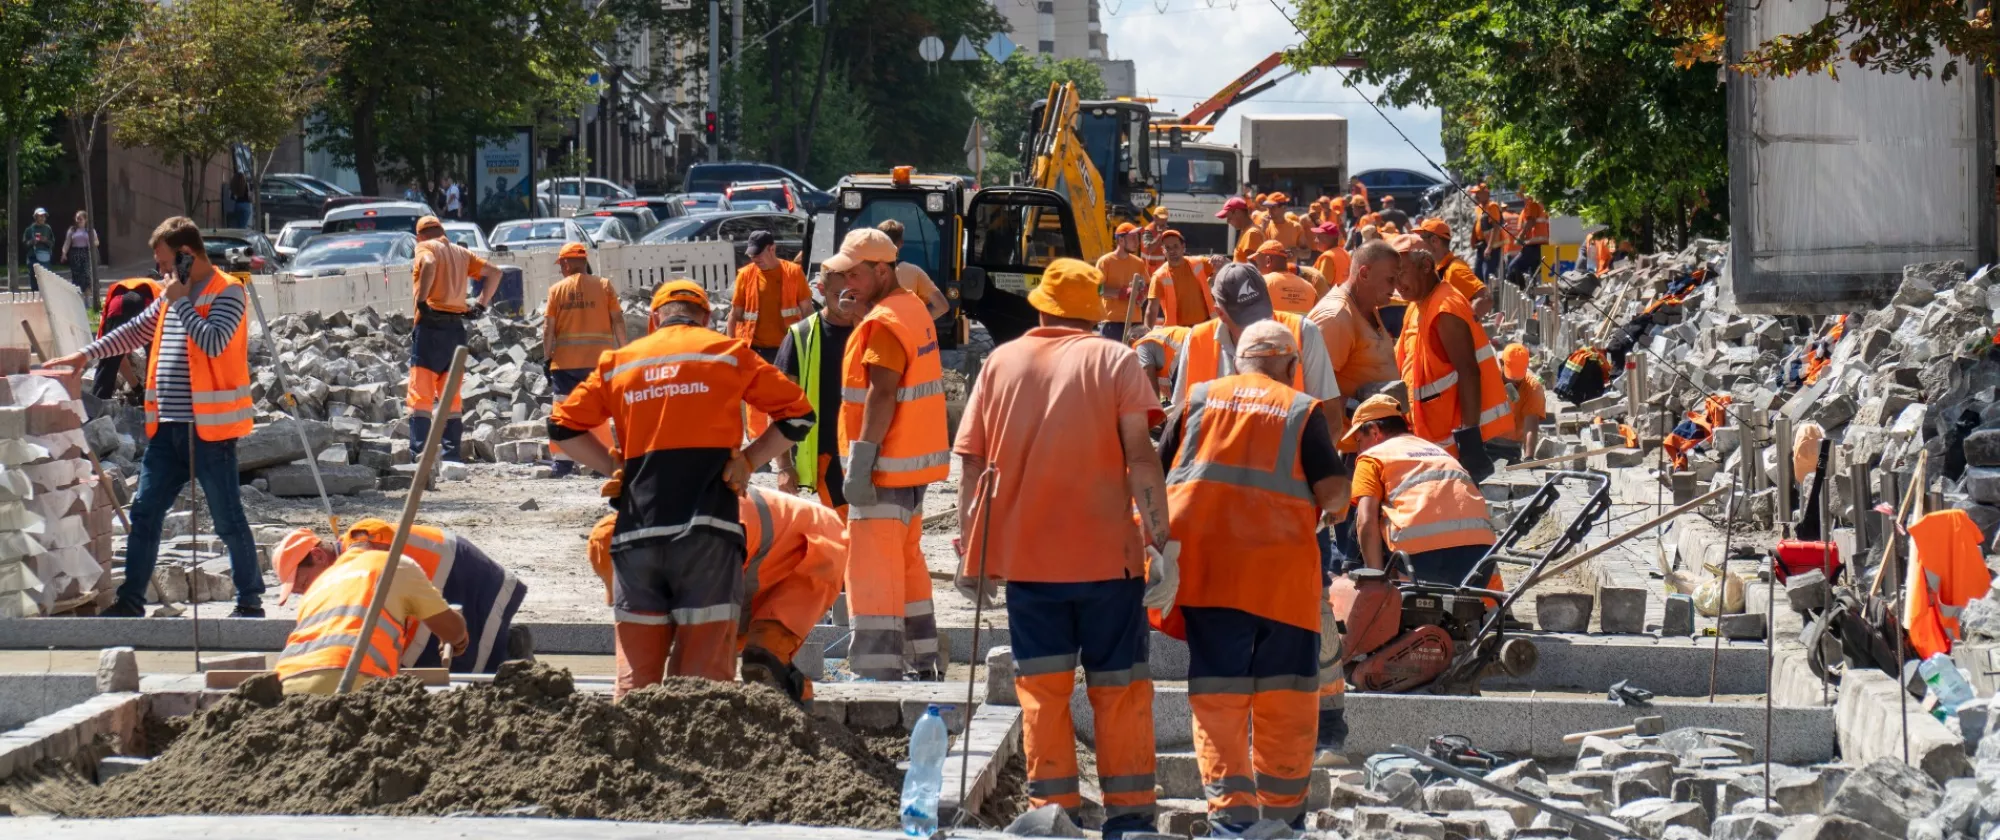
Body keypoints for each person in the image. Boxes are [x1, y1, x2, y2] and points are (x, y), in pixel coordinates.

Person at [953, 258, 1172, 836]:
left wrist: (971, 550)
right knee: (1119, 689)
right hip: (1108, 563)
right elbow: (1142, 457)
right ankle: (1130, 820)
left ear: (1043, 306)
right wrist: (1161, 541)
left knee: (1043, 693)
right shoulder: (1116, 360)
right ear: (1093, 312)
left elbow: (973, 462)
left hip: (1028, 562)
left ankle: (1053, 815)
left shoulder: (1001, 361)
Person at [549, 279, 815, 695]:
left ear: (655, 319)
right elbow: (798, 416)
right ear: (707, 318)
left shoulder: (620, 362)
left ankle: (631, 754)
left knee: (636, 684)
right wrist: (748, 460)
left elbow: (561, 426)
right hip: (709, 534)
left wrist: (612, 465)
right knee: (704, 685)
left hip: (637, 533)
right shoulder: (728, 353)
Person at [1158, 321, 1352, 832]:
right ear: (1291, 367)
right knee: (1285, 704)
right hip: (1282, 585)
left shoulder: (1197, 401)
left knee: (1218, 702)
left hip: (1210, 580)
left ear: (1236, 360)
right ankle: (1283, 822)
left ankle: (1232, 821)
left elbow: (1153, 483)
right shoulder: (1299, 410)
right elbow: (1333, 496)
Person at [45, 218, 263, 617]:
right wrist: (85, 355)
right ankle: (131, 600)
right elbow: (133, 332)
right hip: (167, 431)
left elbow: (214, 342)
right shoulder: (168, 297)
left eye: (165, 263)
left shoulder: (228, 291)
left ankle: (250, 599)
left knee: (227, 517)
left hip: (209, 432)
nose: (161, 272)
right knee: (145, 511)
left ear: (186, 255)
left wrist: (180, 300)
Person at [586, 484, 848, 702]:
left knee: (764, 658)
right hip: (758, 561)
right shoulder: (658, 533)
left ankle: (803, 719)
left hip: (814, 548)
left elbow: (705, 650)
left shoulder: (700, 537)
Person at [833, 228, 950, 681]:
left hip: (882, 470)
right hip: (910, 470)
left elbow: (883, 393)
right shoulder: (911, 307)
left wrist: (861, 463)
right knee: (907, 567)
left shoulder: (883, 324)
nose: (848, 282)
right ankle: (923, 661)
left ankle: (874, 674)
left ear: (882, 270)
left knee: (872, 573)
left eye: (856, 274)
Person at [273, 519, 529, 674]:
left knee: (478, 663)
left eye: (304, 583)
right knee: (438, 666)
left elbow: (381, 553)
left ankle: (515, 653)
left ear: (318, 557)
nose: (308, 592)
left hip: (459, 573)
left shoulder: (361, 542)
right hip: (437, 585)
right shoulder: (347, 573)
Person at [272, 538, 469, 695]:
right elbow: (454, 632)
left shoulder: (318, 586)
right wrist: (454, 633)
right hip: (354, 679)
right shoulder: (393, 565)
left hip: (286, 682)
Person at [1390, 234, 1509, 483]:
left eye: (1401, 273)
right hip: (1428, 438)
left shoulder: (1445, 308)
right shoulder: (1417, 304)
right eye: (1393, 275)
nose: (1396, 283)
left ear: (1425, 266)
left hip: (1449, 443)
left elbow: (1469, 372)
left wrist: (1470, 438)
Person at [1344, 393, 1496, 586]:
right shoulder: (1438, 452)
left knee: (1363, 516)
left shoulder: (1373, 456)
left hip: (1421, 561)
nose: (1358, 450)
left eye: (1358, 441)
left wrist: (1376, 580)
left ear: (1374, 432)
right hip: (1480, 562)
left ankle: (1375, 593)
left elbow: (1365, 521)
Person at [1169, 263, 1341, 430]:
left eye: (1262, 315)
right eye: (1248, 321)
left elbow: (1331, 420)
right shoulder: (1197, 339)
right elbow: (1181, 418)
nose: (1259, 328)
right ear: (1220, 313)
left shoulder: (1303, 333)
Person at [408, 214, 503, 461]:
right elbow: (495, 273)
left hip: (430, 327)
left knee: (421, 395)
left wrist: (422, 302)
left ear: (419, 235)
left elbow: (428, 264)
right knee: (451, 395)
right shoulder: (461, 253)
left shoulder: (424, 247)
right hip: (455, 330)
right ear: (442, 231)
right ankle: (452, 456)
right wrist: (481, 306)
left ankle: (420, 455)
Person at [776, 262, 858, 510]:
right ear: (821, 289)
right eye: (838, 294)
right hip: (828, 454)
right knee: (847, 532)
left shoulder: (871, 328)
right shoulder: (802, 335)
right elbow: (781, 405)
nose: (846, 302)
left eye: (852, 295)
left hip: (869, 451)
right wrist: (784, 466)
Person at [542, 242, 626, 478]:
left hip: (565, 364)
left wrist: (547, 358)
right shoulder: (604, 286)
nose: (561, 269)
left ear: (567, 263)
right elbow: (618, 320)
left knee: (563, 409)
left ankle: (562, 463)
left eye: (561, 265)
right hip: (599, 362)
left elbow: (548, 329)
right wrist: (624, 353)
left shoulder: (556, 290)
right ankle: (602, 463)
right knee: (598, 409)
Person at [1309, 241, 1403, 403]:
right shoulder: (1336, 317)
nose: (1395, 287)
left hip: (1373, 426)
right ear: (1365, 274)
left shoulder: (1367, 304)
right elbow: (1314, 390)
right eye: (1390, 279)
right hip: (1350, 427)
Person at [725, 230, 810, 361]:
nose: (755, 259)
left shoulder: (793, 273)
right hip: (753, 349)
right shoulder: (745, 274)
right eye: (752, 255)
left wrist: (810, 343)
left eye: (758, 254)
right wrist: (730, 346)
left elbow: (807, 311)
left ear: (772, 249)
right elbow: (735, 313)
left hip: (787, 347)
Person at [90, 277, 161, 401]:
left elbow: (117, 353)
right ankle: (155, 400)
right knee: (156, 357)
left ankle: (97, 407)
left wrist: (137, 388)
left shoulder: (113, 301)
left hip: (117, 305)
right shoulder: (163, 290)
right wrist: (139, 389)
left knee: (109, 358)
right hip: (147, 304)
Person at [1415, 218, 1492, 319]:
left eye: (1422, 240)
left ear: (1434, 241)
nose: (1419, 246)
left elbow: (1485, 298)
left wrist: (1465, 326)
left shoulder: (1455, 269)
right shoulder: (1440, 268)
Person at [879, 219, 951, 321]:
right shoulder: (914, 272)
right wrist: (916, 321)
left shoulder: (865, 272)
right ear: (901, 243)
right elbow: (942, 307)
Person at [1144, 230, 1215, 328]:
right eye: (1168, 248)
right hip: (1178, 332)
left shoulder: (1199, 263)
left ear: (1183, 247)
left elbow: (1224, 267)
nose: (1172, 251)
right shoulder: (1159, 276)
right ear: (1163, 251)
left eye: (1175, 246)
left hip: (1205, 325)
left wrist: (1214, 277)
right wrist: (1146, 332)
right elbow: (1152, 308)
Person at [1095, 223, 1151, 341]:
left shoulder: (1139, 263)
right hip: (1112, 322)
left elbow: (1147, 286)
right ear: (1120, 240)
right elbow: (1097, 290)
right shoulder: (1105, 262)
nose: (1137, 242)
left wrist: (1142, 295)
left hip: (1135, 322)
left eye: (1137, 237)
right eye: (1132, 238)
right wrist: (1122, 293)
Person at [1490, 343, 1545, 464]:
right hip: (1483, 443)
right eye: (1511, 375)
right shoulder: (1489, 378)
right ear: (1502, 363)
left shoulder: (1533, 388)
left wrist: (1528, 458)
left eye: (1519, 376)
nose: (1514, 380)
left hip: (1510, 447)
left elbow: (1531, 425)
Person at [1253, 239, 1316, 315]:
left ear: (1268, 261)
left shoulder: (1261, 284)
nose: (1257, 269)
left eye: (1258, 264)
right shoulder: (1310, 288)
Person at [1133, 324, 1190, 402]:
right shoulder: (1160, 336)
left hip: (1185, 352)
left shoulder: (1140, 345)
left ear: (1132, 341)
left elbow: (1151, 386)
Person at [1506, 194, 1550, 287]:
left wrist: (1521, 236)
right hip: (1537, 247)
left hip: (1534, 247)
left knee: (1513, 268)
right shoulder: (1532, 205)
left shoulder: (1531, 204)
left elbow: (1531, 222)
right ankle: (1529, 296)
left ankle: (1520, 293)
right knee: (1533, 275)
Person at [61, 210, 99, 300]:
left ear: (85, 219)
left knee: (87, 276)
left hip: (86, 253)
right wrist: (64, 253)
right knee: (76, 276)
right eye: (77, 218)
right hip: (75, 254)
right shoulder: (72, 230)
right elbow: (67, 242)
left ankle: (87, 299)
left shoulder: (90, 230)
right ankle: (78, 299)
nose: (78, 220)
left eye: (80, 218)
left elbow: (97, 241)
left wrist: (93, 244)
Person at [1218, 196, 1266, 264]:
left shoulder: (1251, 233)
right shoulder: (1245, 231)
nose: (1228, 221)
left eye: (1229, 217)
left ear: (1238, 212)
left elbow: (1253, 269)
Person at [1310, 223, 1349, 294]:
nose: (1315, 240)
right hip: (1342, 297)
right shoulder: (1344, 252)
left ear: (1328, 237)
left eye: (1318, 237)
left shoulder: (1328, 257)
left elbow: (1322, 287)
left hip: (1330, 300)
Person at [1140, 206, 1172, 275]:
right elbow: (1149, 249)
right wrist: (1160, 235)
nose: (1164, 221)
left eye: (1165, 218)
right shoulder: (1148, 231)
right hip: (1148, 271)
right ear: (1155, 217)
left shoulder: (1165, 230)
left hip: (1161, 270)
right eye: (1162, 218)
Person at [22, 208, 53, 276]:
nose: (43, 218)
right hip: (32, 257)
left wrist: (45, 241)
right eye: (41, 216)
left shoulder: (48, 229)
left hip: (45, 257)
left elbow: (52, 243)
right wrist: (32, 242)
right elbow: (24, 244)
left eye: (44, 216)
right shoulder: (29, 230)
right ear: (35, 217)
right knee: (33, 278)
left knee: (45, 278)